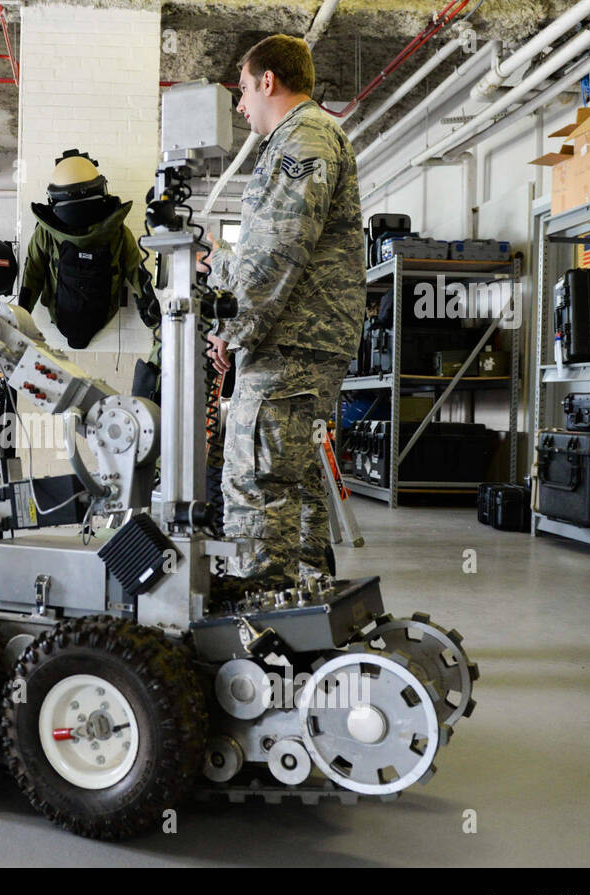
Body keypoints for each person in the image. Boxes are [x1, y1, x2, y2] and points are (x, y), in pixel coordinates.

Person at [206, 35, 366, 589]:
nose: (241, 104)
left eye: (244, 89)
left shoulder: (305, 140)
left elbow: (278, 251)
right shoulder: (300, 140)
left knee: (256, 480)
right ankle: (307, 606)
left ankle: (260, 618)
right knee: (292, 483)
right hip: (299, 337)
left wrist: (230, 330)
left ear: (268, 80)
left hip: (293, 340)